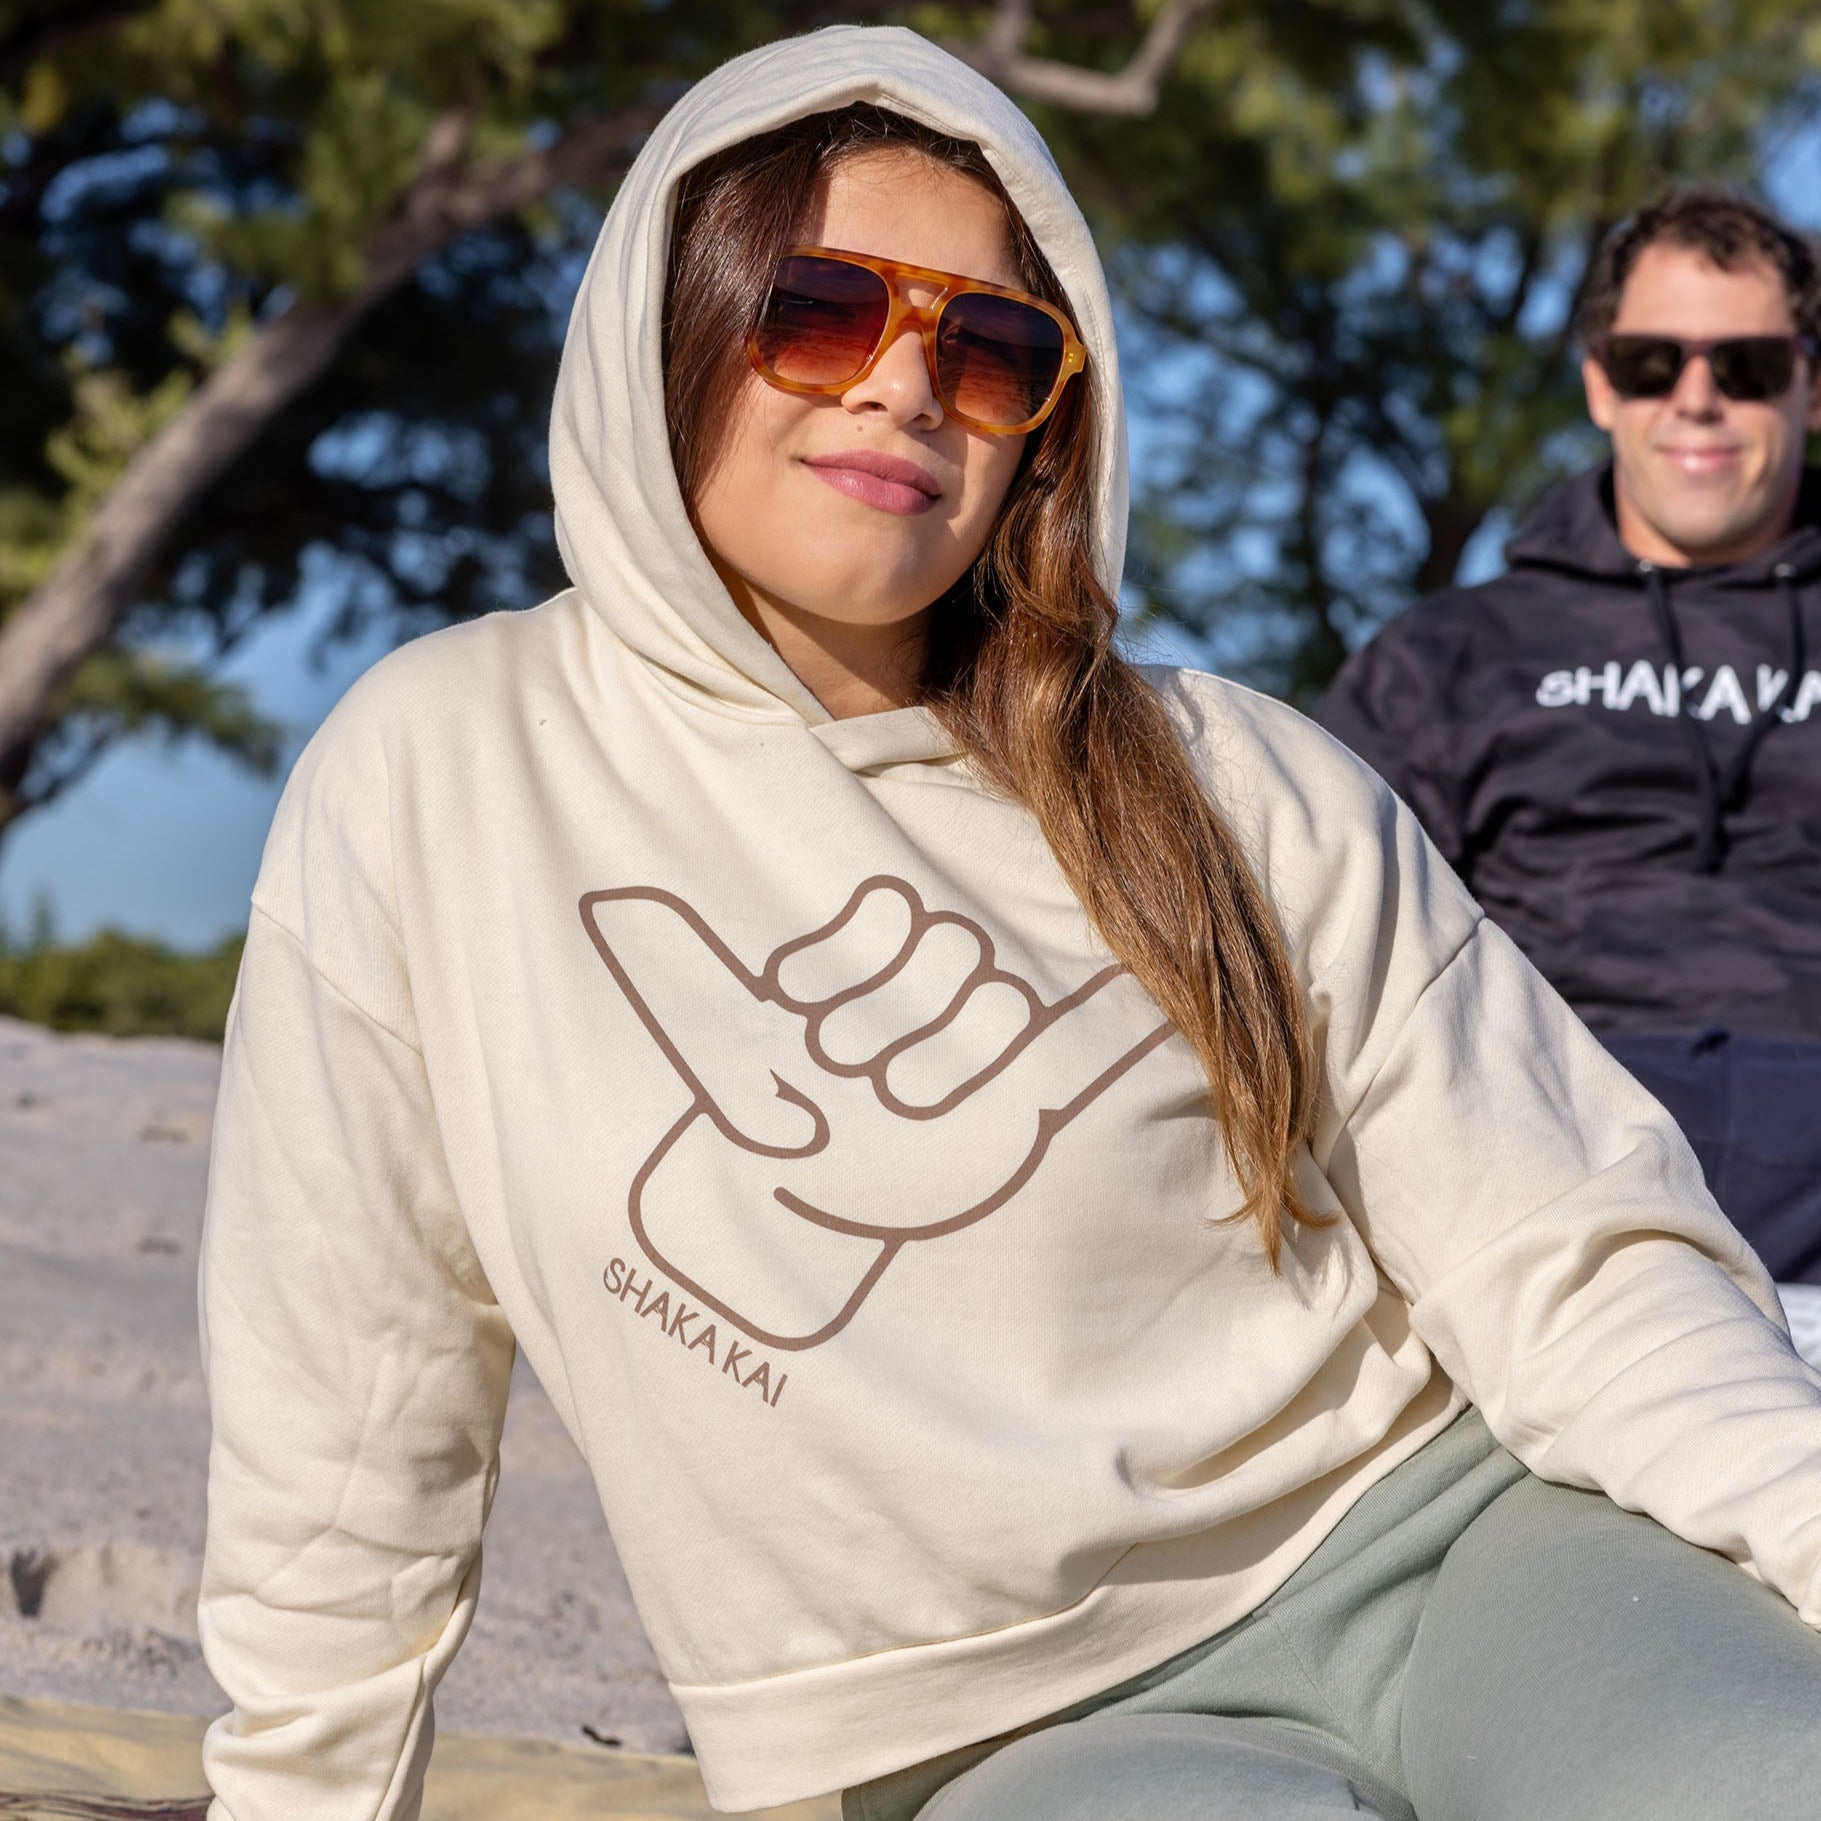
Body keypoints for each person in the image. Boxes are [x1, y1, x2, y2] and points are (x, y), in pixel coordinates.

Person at [197, 30, 1821, 1821]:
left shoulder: (1224, 771)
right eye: (819, 309)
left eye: (987, 347)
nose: (907, 390)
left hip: (1474, 1550)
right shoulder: (443, 765)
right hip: (1014, 1733)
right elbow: (349, 1407)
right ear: (670, 326)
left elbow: (1569, 1253)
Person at [1316, 190, 1821, 1286]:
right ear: (1601, 381)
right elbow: (1316, 926)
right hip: (1542, 1177)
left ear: (1809, 384)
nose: (1698, 401)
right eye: (1654, 363)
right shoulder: (1449, 652)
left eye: (1746, 366)